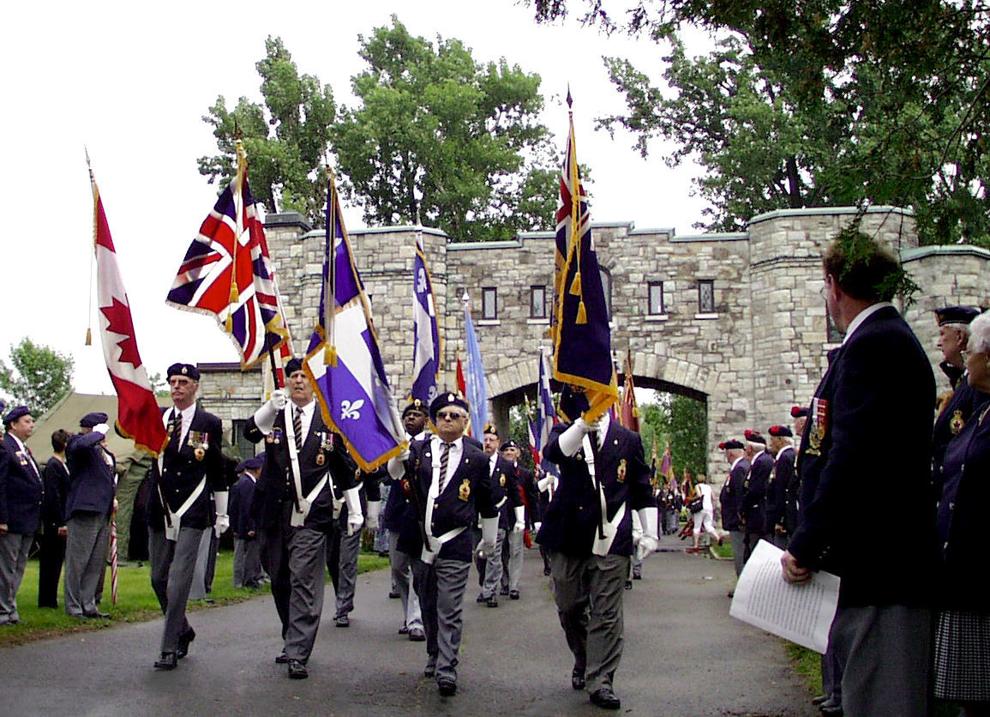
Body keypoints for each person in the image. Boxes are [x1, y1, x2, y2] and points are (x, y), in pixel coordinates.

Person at [781, 229, 936, 717]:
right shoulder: (875, 341)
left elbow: (852, 458)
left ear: (834, 284)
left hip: (880, 568)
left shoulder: (877, 345)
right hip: (867, 569)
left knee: (881, 702)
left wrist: (807, 543)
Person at [538, 386, 658, 711]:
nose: (599, 401)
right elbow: (554, 454)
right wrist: (581, 426)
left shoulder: (627, 439)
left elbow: (641, 487)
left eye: (604, 395)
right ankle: (584, 657)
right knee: (569, 605)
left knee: (606, 611)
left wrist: (650, 533)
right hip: (569, 535)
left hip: (612, 535)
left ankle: (601, 679)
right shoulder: (568, 430)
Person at [244, 357, 360, 679]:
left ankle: (298, 651)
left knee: (303, 579)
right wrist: (269, 407)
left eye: (304, 376)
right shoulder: (276, 414)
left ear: (314, 384)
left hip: (312, 513)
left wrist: (358, 510)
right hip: (273, 511)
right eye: (294, 375)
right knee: (279, 577)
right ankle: (290, 634)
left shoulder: (329, 420)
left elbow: (344, 469)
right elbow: (252, 433)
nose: (298, 381)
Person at [388, 391, 499, 697]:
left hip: (456, 543)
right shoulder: (419, 448)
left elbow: (487, 502)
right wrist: (398, 458)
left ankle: (448, 667)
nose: (448, 420)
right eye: (442, 416)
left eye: (455, 416)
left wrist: (488, 539)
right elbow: (395, 475)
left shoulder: (476, 457)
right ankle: (434, 652)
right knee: (427, 603)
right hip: (420, 542)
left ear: (465, 421)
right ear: (434, 421)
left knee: (449, 606)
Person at [146, 363, 228, 670]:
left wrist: (222, 512)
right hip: (161, 508)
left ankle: (168, 648)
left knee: (178, 582)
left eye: (183, 382)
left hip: (193, 511)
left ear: (195, 385)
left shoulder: (209, 422)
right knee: (158, 578)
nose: (176, 387)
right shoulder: (159, 419)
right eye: (172, 382)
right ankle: (183, 629)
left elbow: (217, 468)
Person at [933, 310, 990, 716]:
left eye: (971, 348)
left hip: (983, 567)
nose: (964, 355)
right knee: (967, 697)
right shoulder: (980, 408)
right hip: (965, 569)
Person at [381, 399, 426, 641]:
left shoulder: (431, 445)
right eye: (408, 414)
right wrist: (399, 451)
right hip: (399, 513)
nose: (411, 418)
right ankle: (410, 613)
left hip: (419, 516)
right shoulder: (395, 444)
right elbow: (390, 473)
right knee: (398, 568)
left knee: (418, 569)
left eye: (417, 414)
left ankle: (416, 620)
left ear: (426, 421)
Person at [64, 412, 117, 619]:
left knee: (95, 562)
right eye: (100, 428)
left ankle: (89, 603)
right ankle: (73, 605)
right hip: (84, 510)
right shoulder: (78, 443)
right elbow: (81, 446)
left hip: (102, 511)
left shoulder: (103, 453)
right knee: (78, 561)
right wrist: (95, 434)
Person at [932, 305, 986, 499]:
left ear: (960, 337)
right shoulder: (961, 381)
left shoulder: (976, 384)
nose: (939, 343)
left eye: (942, 334)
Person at [0, 405, 42, 626]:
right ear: (13, 425)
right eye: (26, 421)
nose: (31, 424)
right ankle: (3, 609)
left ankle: (10, 606)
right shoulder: (5, 448)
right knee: (7, 566)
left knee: (18, 565)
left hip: (27, 517)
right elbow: (2, 484)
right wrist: (2, 518)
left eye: (31, 420)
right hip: (13, 518)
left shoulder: (23, 449)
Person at [327, 467, 380, 627]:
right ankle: (341, 597)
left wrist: (372, 516)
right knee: (332, 559)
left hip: (352, 512)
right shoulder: (327, 446)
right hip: (328, 509)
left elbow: (372, 483)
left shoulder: (359, 451)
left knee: (347, 561)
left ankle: (342, 608)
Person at [476, 423, 518, 608]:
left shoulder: (506, 466)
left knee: (494, 554)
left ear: (497, 442)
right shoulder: (474, 462)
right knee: (479, 556)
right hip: (476, 518)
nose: (488, 443)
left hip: (498, 516)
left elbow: (514, 492)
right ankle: (484, 584)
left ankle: (490, 591)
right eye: (485, 440)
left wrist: (520, 518)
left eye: (491, 440)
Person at [38, 429, 70, 608]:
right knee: (50, 559)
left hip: (59, 518)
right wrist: (60, 521)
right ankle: (46, 599)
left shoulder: (62, 464)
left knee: (57, 559)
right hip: (54, 521)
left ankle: (50, 597)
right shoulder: (53, 466)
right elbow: (54, 495)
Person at [498, 439, 533, 600]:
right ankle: (505, 582)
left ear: (517, 453)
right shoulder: (497, 471)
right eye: (506, 451)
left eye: (512, 450)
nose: (509, 453)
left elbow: (531, 498)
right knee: (502, 552)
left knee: (516, 551)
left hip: (517, 517)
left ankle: (514, 586)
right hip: (500, 517)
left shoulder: (525, 474)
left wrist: (535, 519)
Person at [229, 456, 264, 589]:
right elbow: (247, 506)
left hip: (241, 524)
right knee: (246, 554)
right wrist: (251, 526)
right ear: (256, 469)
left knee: (247, 553)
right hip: (244, 525)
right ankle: (245, 580)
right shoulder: (248, 484)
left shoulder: (246, 482)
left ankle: (247, 578)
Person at [718, 439, 749, 581]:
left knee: (740, 554)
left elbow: (740, 495)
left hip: (737, 520)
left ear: (730, 453)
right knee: (739, 554)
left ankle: (742, 585)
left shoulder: (740, 469)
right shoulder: (738, 468)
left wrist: (740, 515)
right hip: (735, 519)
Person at [741, 429, 771, 561]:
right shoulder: (760, 461)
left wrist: (742, 508)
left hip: (757, 512)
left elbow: (755, 489)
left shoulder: (761, 462)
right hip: (755, 511)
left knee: (756, 552)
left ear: (751, 448)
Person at [764, 425, 795, 550]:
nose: (771, 443)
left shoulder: (785, 458)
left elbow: (783, 489)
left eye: (773, 440)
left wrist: (780, 519)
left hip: (783, 515)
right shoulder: (788, 455)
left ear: (781, 440)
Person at [689, 474, 720, 551]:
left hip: (700, 508)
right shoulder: (708, 487)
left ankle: (696, 545)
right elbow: (714, 497)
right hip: (709, 508)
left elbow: (699, 495)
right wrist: (713, 506)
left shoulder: (697, 486)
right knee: (708, 526)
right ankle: (718, 537)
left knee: (697, 526)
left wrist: (692, 499)